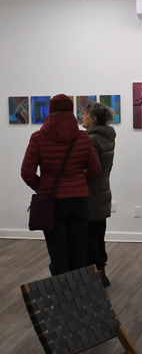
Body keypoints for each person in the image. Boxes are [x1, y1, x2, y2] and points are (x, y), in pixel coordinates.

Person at [21, 94, 102, 275]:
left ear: (50, 111)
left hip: (53, 202)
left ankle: (61, 291)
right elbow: (96, 170)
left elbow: (27, 173)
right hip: (79, 201)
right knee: (79, 251)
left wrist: (41, 186)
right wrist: (79, 182)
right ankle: (79, 291)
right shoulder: (82, 137)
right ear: (71, 111)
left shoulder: (38, 137)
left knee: (58, 253)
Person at [81, 102, 116, 287]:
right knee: (98, 235)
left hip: (92, 195)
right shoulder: (107, 137)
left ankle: (95, 277)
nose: (83, 116)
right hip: (102, 193)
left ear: (94, 119)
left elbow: (91, 170)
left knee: (90, 239)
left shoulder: (92, 140)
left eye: (86, 113)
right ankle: (101, 274)